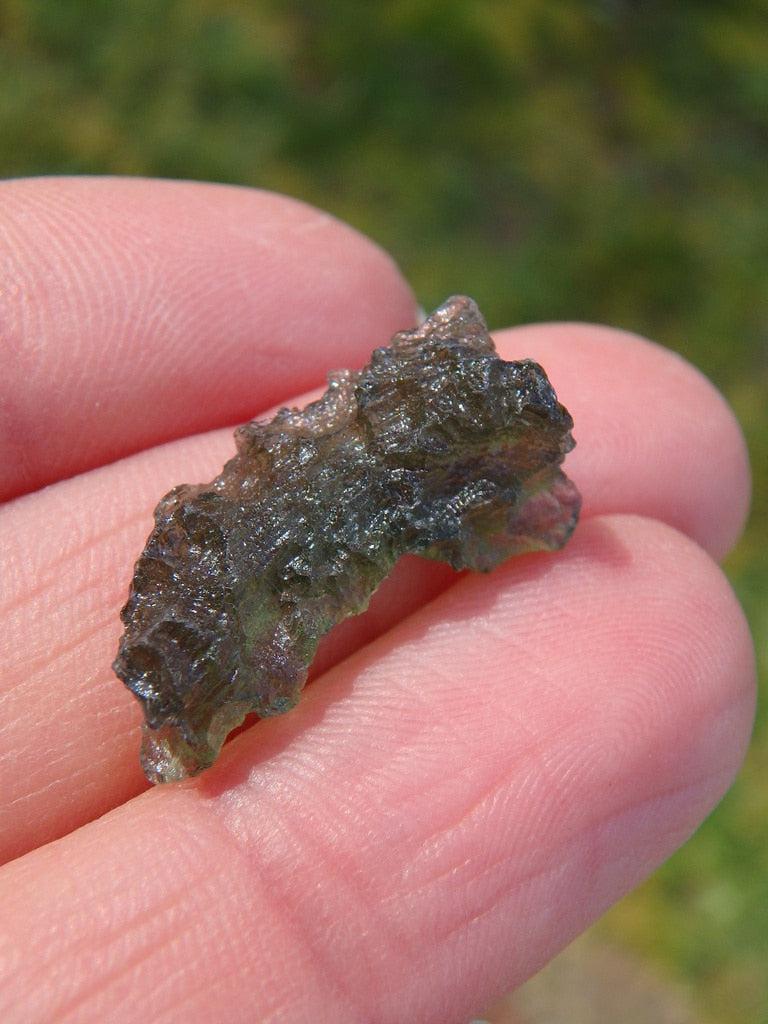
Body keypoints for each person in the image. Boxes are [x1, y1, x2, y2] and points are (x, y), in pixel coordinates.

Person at [0, 177, 755, 1024]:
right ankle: (191, 706)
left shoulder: (441, 457)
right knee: (223, 626)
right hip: (209, 625)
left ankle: (193, 705)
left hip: (254, 592)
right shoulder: (232, 588)